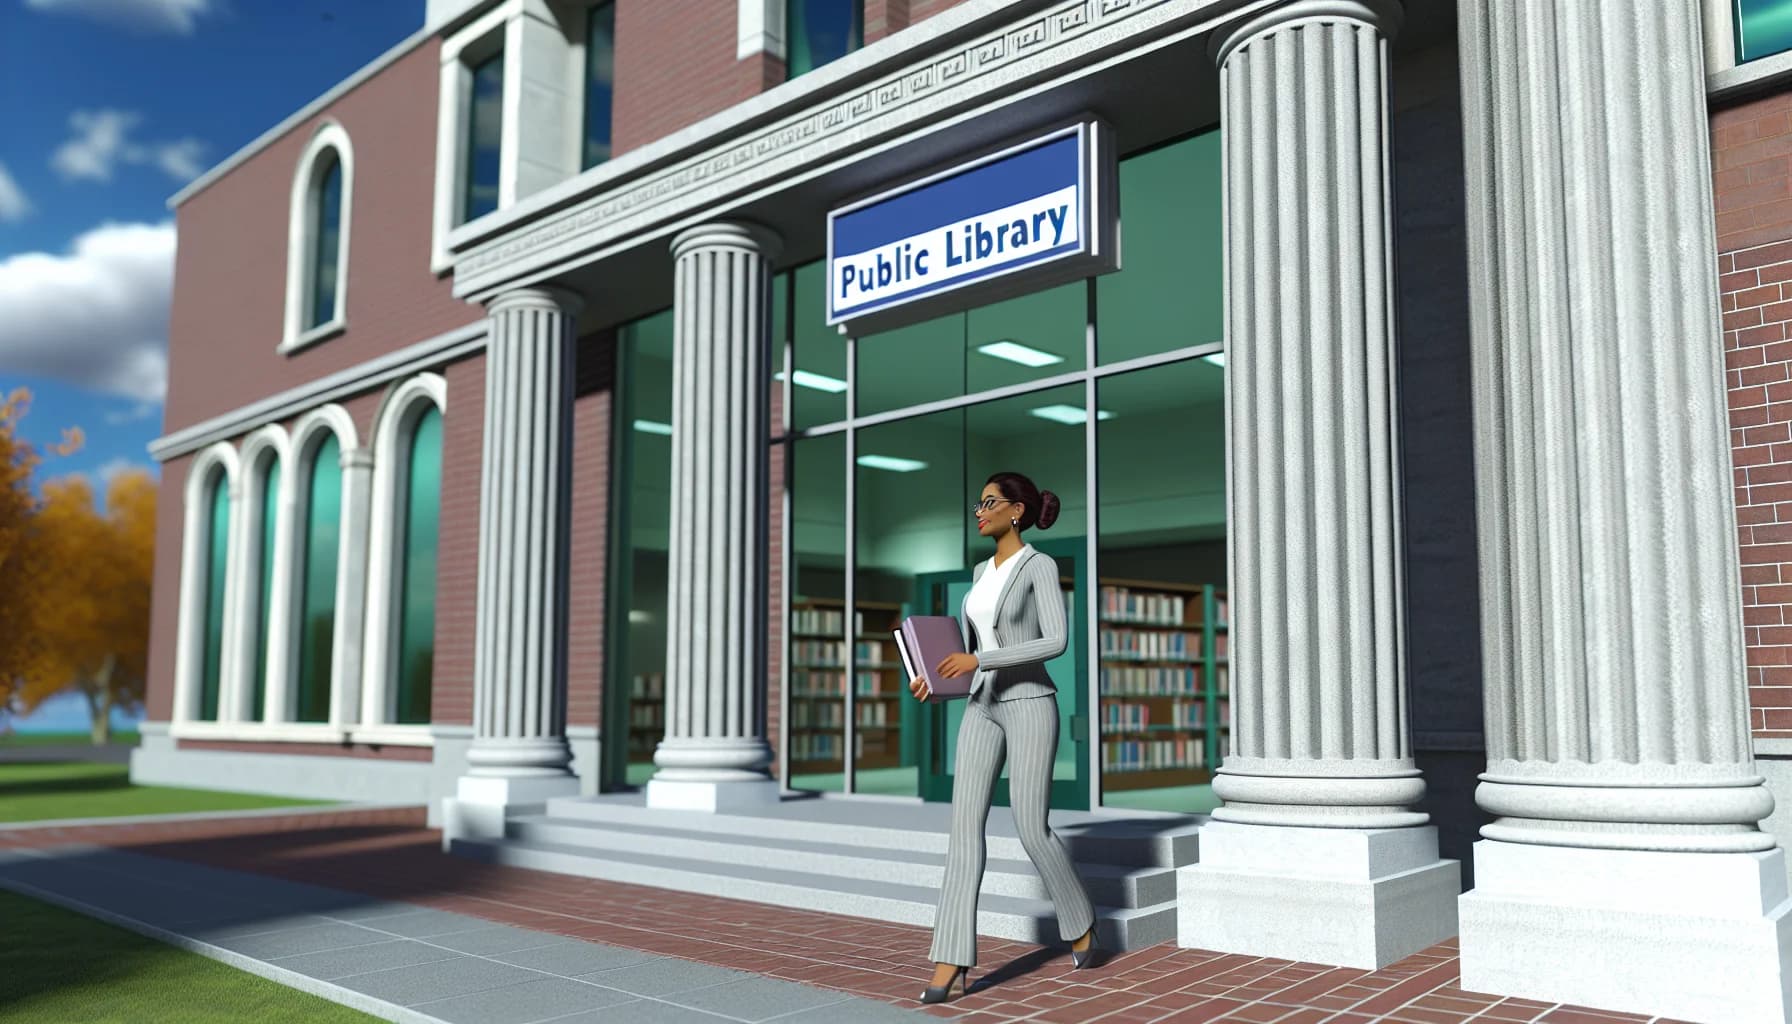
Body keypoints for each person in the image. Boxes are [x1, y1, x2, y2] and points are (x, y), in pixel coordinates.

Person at [908, 470, 1103, 1005]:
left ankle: (1080, 920)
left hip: (1030, 702)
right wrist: (937, 679)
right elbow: (968, 649)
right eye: (978, 503)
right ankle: (950, 958)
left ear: (1016, 511)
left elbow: (1056, 640)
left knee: (1030, 827)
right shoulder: (980, 572)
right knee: (963, 830)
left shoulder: (1039, 566)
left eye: (989, 502)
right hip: (981, 705)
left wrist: (981, 659)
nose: (979, 511)